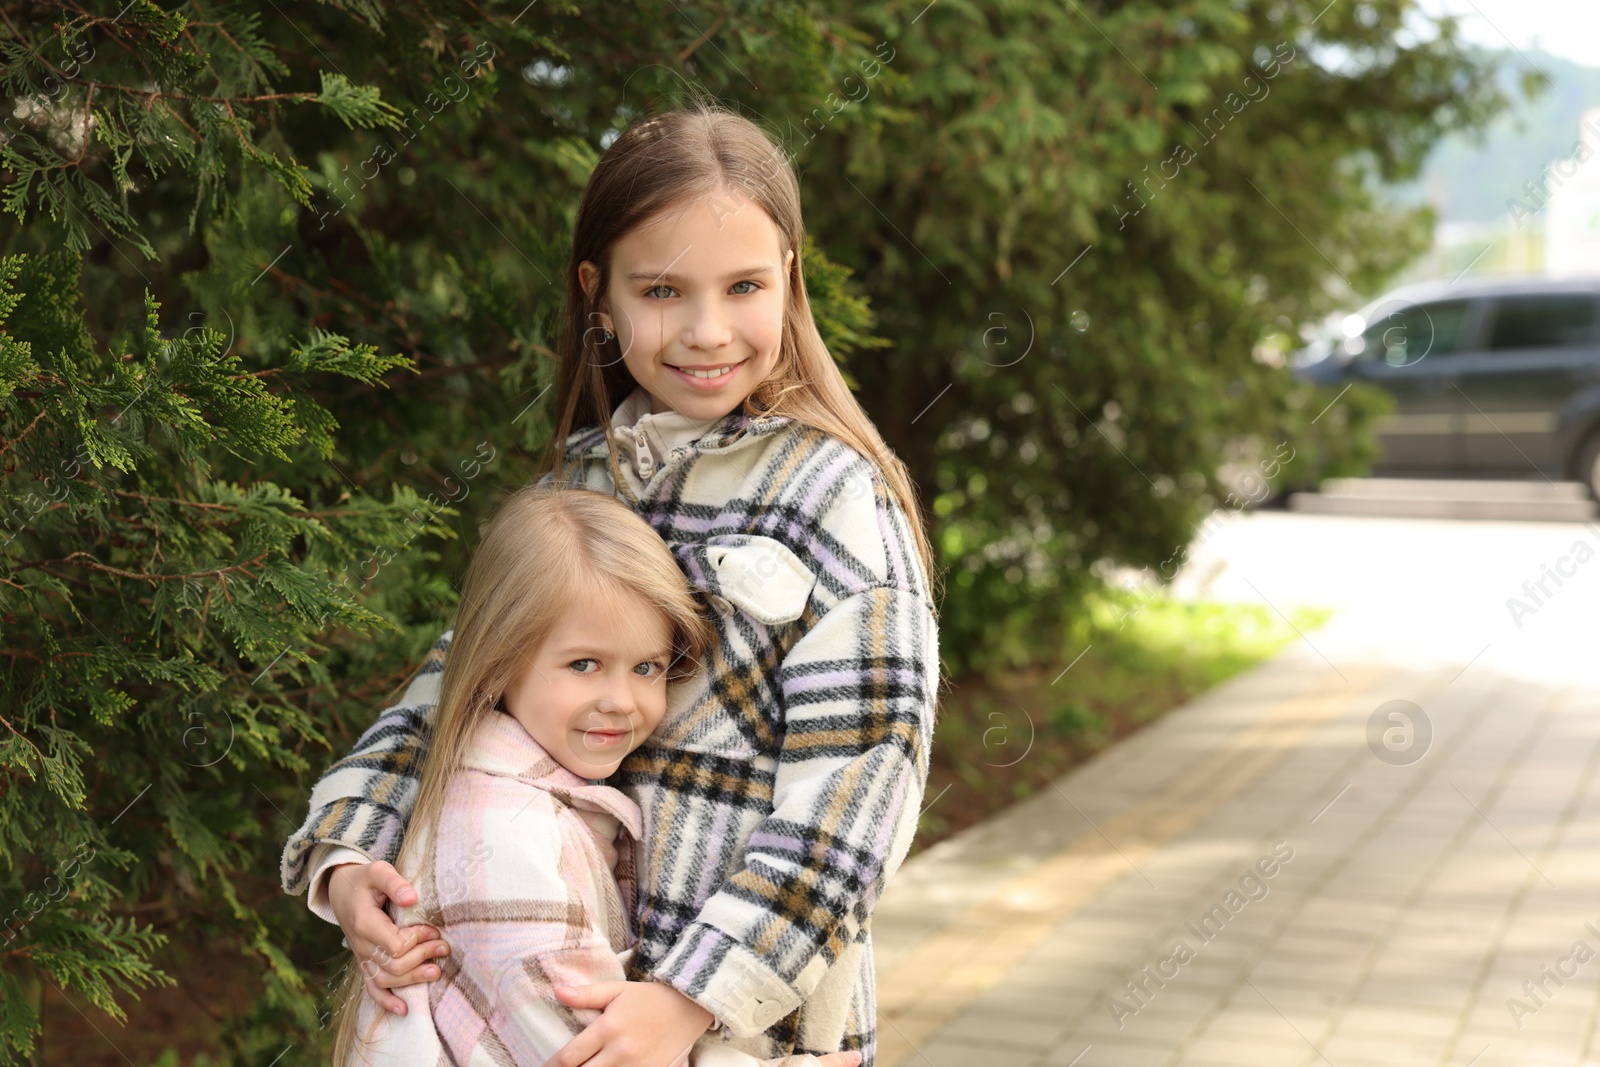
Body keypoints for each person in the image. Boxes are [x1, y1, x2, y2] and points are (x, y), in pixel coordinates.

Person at [283, 103, 940, 1067]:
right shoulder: (578, 488)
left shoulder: (835, 497)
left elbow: (858, 793)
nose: (708, 331)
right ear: (599, 294)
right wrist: (347, 859)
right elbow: (451, 695)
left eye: (745, 285)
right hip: (556, 1010)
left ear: (790, 279)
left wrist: (685, 1001)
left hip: (752, 1029)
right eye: (663, 290)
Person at [328, 486, 857, 1067]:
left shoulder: (545, 801)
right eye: (584, 664)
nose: (622, 701)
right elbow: (588, 1051)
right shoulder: (504, 837)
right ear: (497, 661)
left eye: (647, 667)